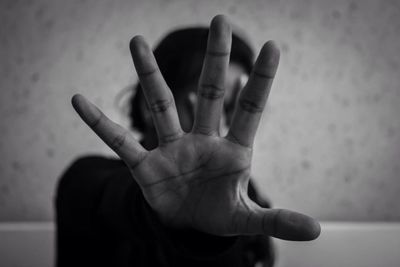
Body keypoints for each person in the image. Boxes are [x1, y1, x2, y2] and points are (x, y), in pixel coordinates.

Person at [56, 15, 320, 267]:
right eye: (209, 106)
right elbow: (120, 204)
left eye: (230, 109)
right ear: (151, 105)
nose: (222, 126)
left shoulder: (244, 197)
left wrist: (212, 233)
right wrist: (178, 220)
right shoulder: (85, 181)